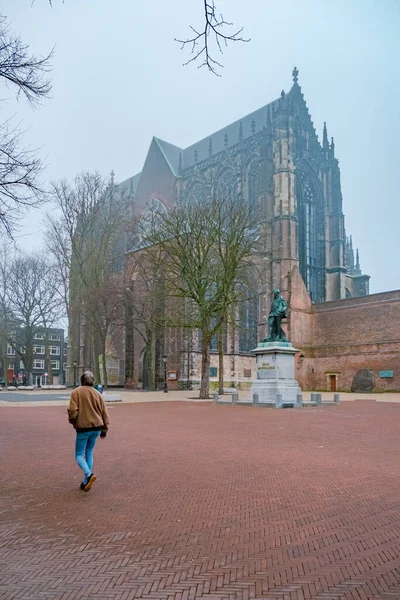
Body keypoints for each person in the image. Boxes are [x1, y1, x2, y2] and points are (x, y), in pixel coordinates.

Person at [67, 371, 109, 492]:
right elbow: (104, 413)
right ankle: (86, 481)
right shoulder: (97, 394)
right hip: (96, 427)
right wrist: (104, 430)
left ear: (81, 380)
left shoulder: (76, 392)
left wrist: (73, 421)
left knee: (79, 454)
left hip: (83, 428)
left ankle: (89, 474)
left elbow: (72, 410)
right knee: (89, 452)